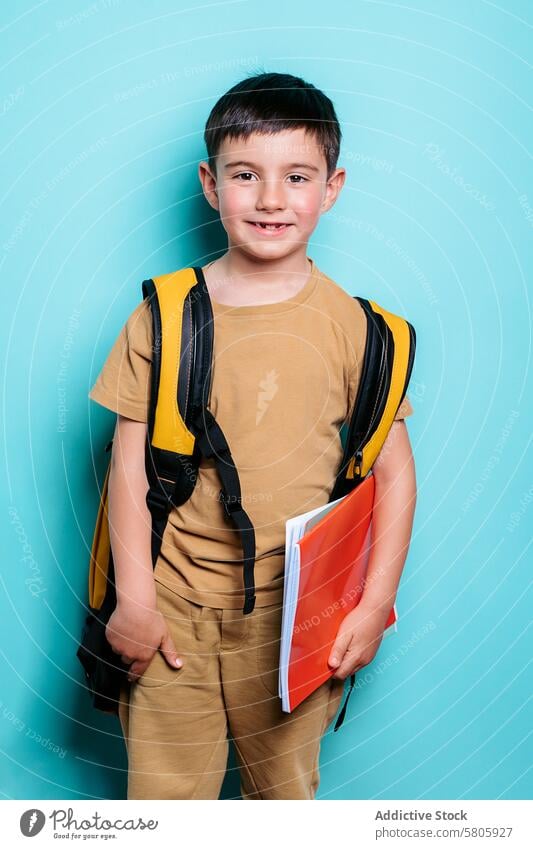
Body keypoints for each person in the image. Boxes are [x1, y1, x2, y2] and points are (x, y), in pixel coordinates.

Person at [88, 71, 417, 800]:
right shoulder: (164, 318)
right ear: (210, 184)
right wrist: (135, 599)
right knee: (166, 811)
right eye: (245, 174)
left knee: (283, 807)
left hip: (300, 626)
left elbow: (393, 475)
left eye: (296, 176)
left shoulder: (363, 332)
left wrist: (373, 604)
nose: (270, 198)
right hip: (173, 614)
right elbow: (128, 465)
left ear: (330, 188)